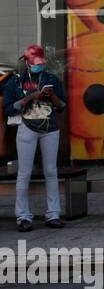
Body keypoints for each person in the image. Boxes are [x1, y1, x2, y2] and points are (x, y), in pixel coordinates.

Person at [3, 44, 67, 230]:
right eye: (35, 63)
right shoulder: (16, 82)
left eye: (40, 63)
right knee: (24, 172)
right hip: (27, 127)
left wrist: (51, 96)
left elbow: (62, 106)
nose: (38, 66)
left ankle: (53, 214)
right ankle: (23, 216)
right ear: (27, 62)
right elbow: (8, 108)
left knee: (51, 171)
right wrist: (31, 97)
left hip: (50, 127)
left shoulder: (51, 79)